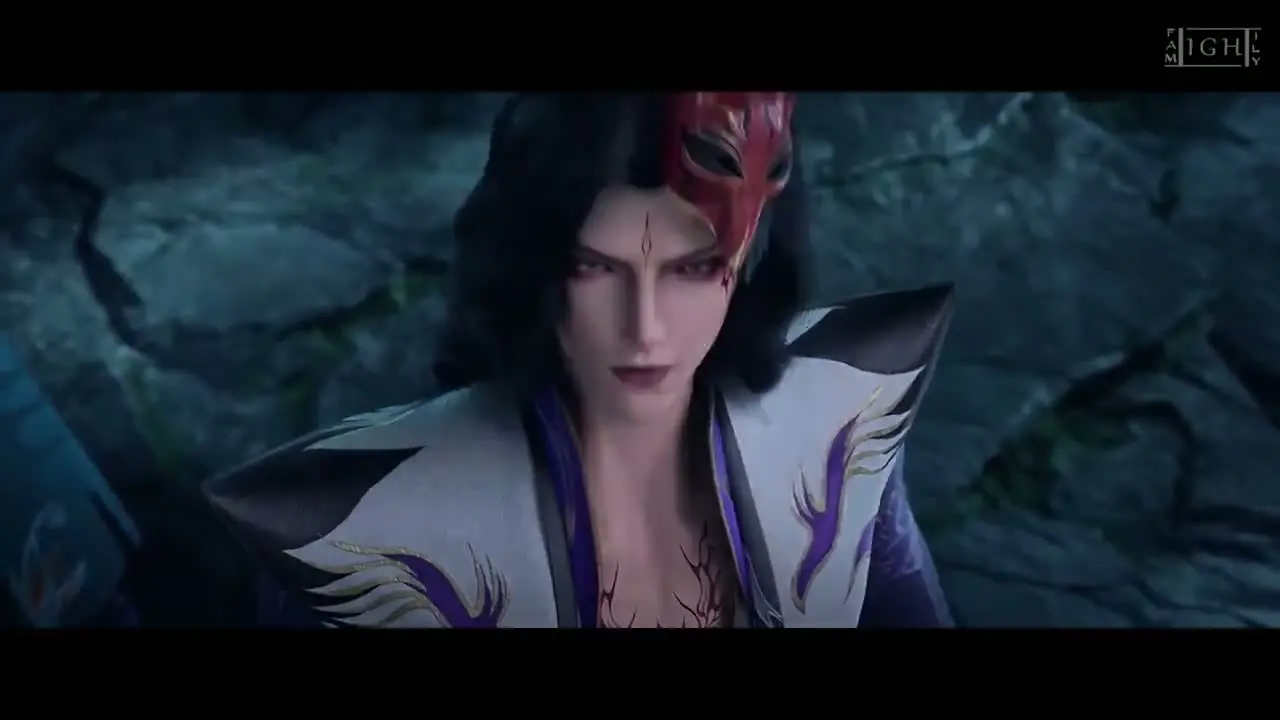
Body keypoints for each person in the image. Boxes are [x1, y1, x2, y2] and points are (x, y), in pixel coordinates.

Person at [204, 92, 955, 628]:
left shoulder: (832, 424)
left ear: (750, 260)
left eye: (694, 268)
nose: (645, 328)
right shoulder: (363, 523)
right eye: (594, 267)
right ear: (535, 265)